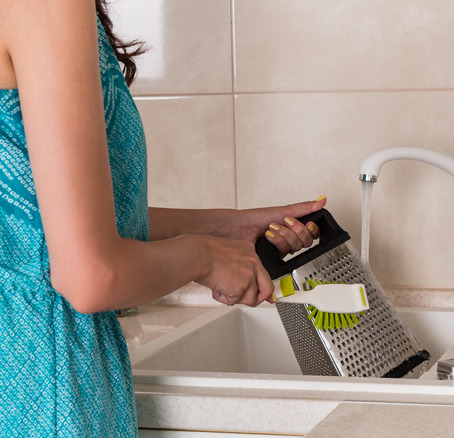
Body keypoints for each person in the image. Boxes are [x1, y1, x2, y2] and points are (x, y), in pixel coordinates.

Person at [0, 0, 324, 435]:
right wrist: (204, 256)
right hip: (43, 373)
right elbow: (91, 277)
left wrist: (224, 228)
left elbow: (31, 225)